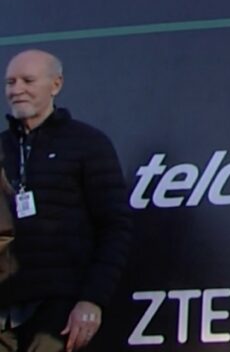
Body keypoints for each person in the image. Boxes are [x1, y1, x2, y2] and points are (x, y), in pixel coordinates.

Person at [0, 50, 133, 352]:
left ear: (55, 85)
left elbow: (115, 227)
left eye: (28, 80)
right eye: (10, 82)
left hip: (58, 310)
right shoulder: (2, 147)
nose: (16, 89)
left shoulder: (88, 144)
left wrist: (92, 299)